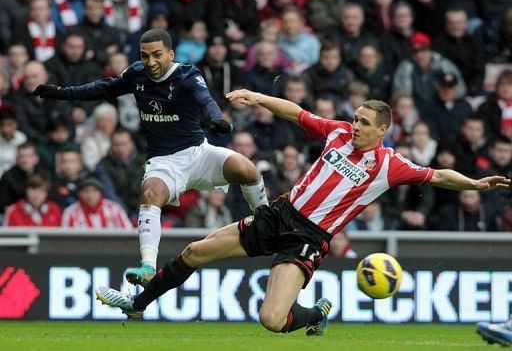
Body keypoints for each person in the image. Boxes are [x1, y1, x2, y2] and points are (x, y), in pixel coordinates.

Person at [96, 88, 509, 337]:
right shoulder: (338, 133)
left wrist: (474, 183)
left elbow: (437, 176)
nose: (357, 125)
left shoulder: (390, 165)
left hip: (307, 239)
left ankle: (315, 314)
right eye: (356, 119)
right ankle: (138, 303)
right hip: (279, 214)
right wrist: (257, 97)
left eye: (365, 123)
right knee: (195, 252)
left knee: (272, 320)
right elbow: (295, 113)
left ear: (382, 130)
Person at [33, 29, 268, 287]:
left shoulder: (187, 75)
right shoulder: (137, 74)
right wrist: (63, 93)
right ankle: (147, 267)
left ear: (170, 53)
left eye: (157, 55)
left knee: (246, 169)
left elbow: (206, 99)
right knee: (150, 193)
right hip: (163, 161)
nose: (151, 62)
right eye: (145, 56)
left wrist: (216, 119)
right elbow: (105, 88)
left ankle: (266, 223)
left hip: (198, 153)